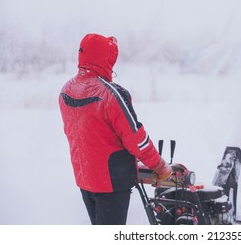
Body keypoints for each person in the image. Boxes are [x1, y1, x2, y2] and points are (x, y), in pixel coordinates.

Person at [59, 33, 172, 225]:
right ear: (105, 58)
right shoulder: (110, 94)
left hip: (85, 179)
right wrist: (160, 166)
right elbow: (137, 140)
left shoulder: (67, 90)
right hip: (112, 184)